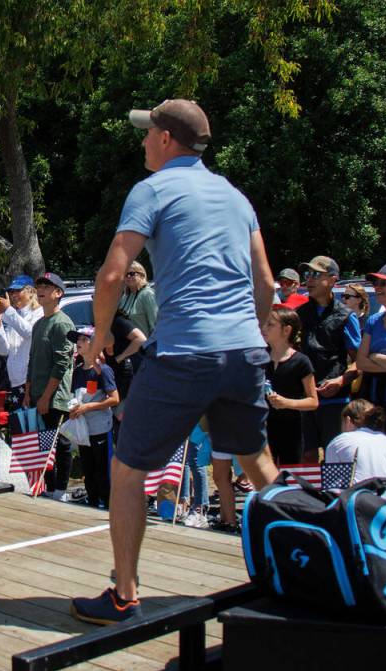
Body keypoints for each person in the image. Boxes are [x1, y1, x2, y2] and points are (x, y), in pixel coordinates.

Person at [73, 99, 278, 624]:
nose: (143, 141)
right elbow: (267, 282)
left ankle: (124, 594)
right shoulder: (235, 195)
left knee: (127, 470)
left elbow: (114, 275)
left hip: (185, 353)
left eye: (148, 133)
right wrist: (253, 338)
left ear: (166, 138)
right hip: (242, 351)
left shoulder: (153, 189)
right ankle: (295, 570)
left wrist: (98, 338)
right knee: (257, 463)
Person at [296, 255, 361, 460]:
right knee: (306, 456)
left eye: (316, 274)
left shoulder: (346, 316)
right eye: (307, 274)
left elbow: (359, 361)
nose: (310, 279)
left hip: (335, 401)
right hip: (304, 398)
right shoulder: (300, 314)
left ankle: (336, 494)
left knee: (336, 456)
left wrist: (341, 380)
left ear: (333, 280)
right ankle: (309, 493)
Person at [24, 272, 75, 501]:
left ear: (58, 293)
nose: (41, 289)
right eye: (39, 286)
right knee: (42, 443)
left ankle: (61, 489)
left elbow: (62, 363)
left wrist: (46, 396)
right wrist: (28, 393)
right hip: (37, 393)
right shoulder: (39, 324)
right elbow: (33, 359)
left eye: (47, 286)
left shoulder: (62, 322)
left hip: (54, 396)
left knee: (59, 443)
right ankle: (48, 486)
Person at [67, 326, 119, 509]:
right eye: (77, 340)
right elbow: (76, 396)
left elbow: (114, 399)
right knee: (87, 468)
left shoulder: (103, 370)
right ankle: (92, 498)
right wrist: (74, 407)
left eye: (83, 340)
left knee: (102, 468)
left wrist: (89, 406)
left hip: (100, 428)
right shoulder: (78, 370)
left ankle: (108, 502)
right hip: (83, 429)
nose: (78, 343)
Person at [262, 307, 318, 464]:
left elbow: (313, 401)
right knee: (266, 476)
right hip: (264, 427)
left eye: (270, 324)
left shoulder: (301, 361)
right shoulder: (260, 358)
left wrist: (287, 402)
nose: (264, 328)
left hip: (292, 428)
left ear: (286, 330)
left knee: (290, 475)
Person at [0, 275, 43, 411]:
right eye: (11, 292)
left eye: (17, 291)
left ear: (31, 292)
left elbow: (29, 332)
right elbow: (3, 350)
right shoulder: (14, 315)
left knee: (32, 425)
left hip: (30, 381)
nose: (13, 295)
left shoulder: (39, 312)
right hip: (15, 380)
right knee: (21, 426)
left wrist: (8, 311)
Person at [355, 264, 386, 424]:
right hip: (375, 401)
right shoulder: (373, 321)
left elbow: (367, 358)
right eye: (375, 283)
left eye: (383, 283)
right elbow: (361, 362)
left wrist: (374, 356)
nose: (377, 287)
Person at [324, 400, 386, 483]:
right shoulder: (385, 440)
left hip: (356, 494)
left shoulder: (338, 442)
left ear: (348, 420)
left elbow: (332, 485)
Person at [117, 260, 157, 338]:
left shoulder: (147, 294)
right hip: (126, 345)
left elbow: (156, 325)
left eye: (132, 274)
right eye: (126, 274)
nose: (128, 277)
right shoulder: (126, 296)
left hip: (143, 346)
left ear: (142, 275)